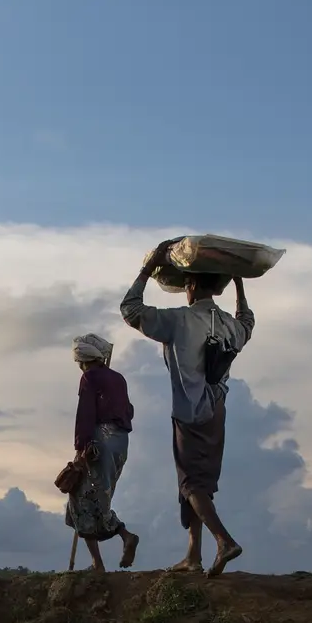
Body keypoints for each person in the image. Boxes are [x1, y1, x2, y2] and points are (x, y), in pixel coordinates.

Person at [121, 242, 253, 576]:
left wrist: (146, 269)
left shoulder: (180, 319)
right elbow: (247, 322)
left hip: (189, 411)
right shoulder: (229, 325)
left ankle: (224, 541)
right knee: (200, 483)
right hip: (217, 410)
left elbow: (131, 310)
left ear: (191, 285)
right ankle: (193, 556)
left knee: (191, 484)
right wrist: (239, 284)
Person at [66, 333, 141, 571]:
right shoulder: (118, 379)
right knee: (100, 497)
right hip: (120, 443)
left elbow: (85, 413)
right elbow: (128, 410)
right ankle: (122, 537)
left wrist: (81, 447)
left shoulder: (89, 378)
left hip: (99, 443)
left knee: (80, 497)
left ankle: (99, 561)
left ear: (83, 360)